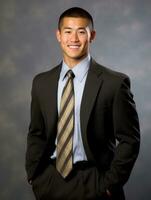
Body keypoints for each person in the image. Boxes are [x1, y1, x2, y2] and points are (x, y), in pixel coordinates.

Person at [25, 7, 140, 200]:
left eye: (81, 31)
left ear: (92, 35)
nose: (74, 39)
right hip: (50, 182)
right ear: (59, 35)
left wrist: (109, 185)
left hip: (95, 181)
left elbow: (130, 140)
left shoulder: (114, 83)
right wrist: (35, 177)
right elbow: (37, 133)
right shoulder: (41, 82)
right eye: (68, 32)